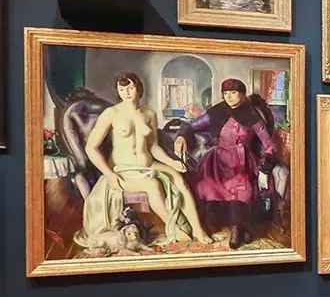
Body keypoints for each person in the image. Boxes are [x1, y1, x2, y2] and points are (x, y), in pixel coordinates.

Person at [75, 73, 209, 250]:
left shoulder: (149, 114)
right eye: (122, 89)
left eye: (130, 88)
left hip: (148, 164)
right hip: (123, 168)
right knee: (152, 185)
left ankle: (199, 230)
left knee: (181, 182)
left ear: (139, 89)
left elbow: (153, 148)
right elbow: (91, 147)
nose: (127, 93)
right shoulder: (111, 113)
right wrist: (108, 173)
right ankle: (174, 229)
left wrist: (171, 163)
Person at [173, 78, 278, 249]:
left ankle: (240, 227)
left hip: (243, 161)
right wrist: (181, 137)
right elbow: (190, 126)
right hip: (218, 160)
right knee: (204, 185)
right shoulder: (217, 112)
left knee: (243, 189)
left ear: (243, 95)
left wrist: (265, 168)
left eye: (233, 93)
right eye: (226, 94)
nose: (229, 97)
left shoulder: (252, 115)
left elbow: (269, 145)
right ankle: (220, 226)